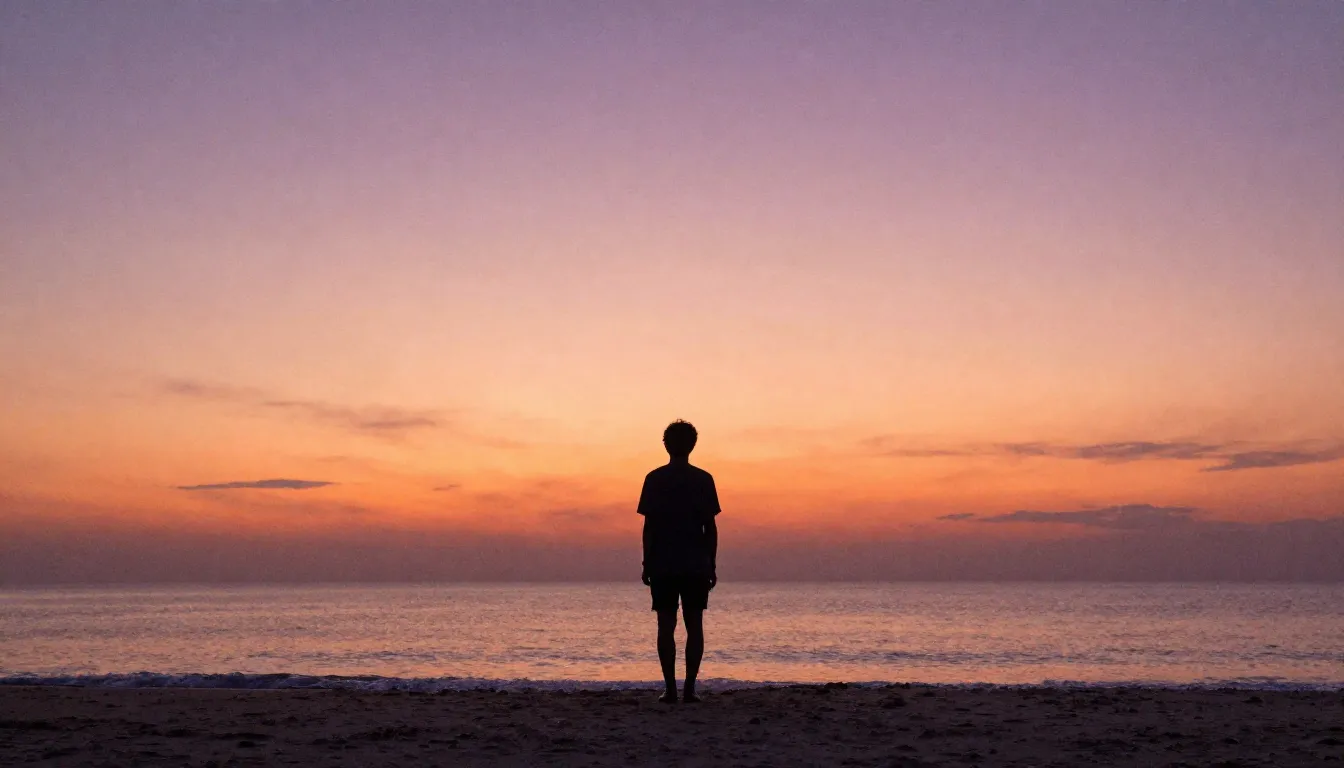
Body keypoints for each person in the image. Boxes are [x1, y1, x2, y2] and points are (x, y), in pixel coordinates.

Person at [638, 419, 720, 703]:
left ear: (666, 445)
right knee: (693, 624)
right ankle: (689, 689)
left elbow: (649, 527)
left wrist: (647, 562)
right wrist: (711, 563)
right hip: (695, 563)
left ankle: (672, 689)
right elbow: (710, 528)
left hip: (664, 562)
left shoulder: (655, 479)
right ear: (692, 445)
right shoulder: (703, 479)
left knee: (666, 625)